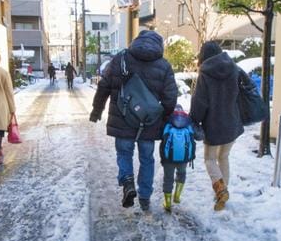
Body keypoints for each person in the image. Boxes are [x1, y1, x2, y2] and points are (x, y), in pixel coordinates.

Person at [90, 30, 177, 211]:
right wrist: (164, 117)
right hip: (149, 122)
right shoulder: (164, 66)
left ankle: (127, 182)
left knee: (124, 154)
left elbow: (104, 85)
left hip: (122, 119)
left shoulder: (120, 59)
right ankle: (145, 197)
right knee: (147, 159)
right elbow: (170, 98)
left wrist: (97, 110)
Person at [190, 41, 254, 211]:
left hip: (214, 125)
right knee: (223, 157)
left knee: (209, 159)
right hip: (233, 122)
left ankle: (220, 190)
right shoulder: (233, 68)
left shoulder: (205, 73)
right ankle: (222, 193)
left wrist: (194, 120)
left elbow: (199, 102)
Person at [160, 104, 201, 212]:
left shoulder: (168, 123)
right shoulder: (188, 124)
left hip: (169, 158)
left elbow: (161, 136)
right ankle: (177, 195)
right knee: (181, 174)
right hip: (183, 158)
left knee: (168, 178)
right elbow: (199, 136)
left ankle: (167, 203)